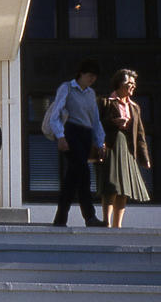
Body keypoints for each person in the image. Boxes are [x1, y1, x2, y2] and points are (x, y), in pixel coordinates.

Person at [49, 59, 106, 227]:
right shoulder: (66, 88)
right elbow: (55, 114)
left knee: (73, 178)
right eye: (90, 75)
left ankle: (61, 217)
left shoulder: (90, 94)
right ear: (81, 73)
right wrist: (60, 136)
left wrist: (100, 141)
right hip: (71, 131)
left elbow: (95, 120)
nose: (92, 79)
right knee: (83, 173)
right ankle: (89, 216)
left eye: (94, 77)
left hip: (86, 134)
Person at [97, 69, 151, 228]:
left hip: (128, 148)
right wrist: (113, 122)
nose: (133, 86)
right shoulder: (105, 101)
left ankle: (117, 224)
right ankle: (106, 221)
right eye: (129, 83)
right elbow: (95, 124)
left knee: (124, 188)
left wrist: (144, 157)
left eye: (134, 84)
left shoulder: (134, 107)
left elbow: (140, 133)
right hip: (111, 146)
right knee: (110, 185)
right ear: (119, 84)